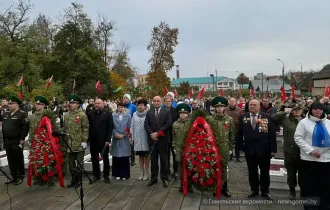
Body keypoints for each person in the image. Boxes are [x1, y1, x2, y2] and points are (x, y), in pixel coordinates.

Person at [237, 99, 276, 199]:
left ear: (259, 106)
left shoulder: (267, 117)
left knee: (264, 171)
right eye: (251, 105)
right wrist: (240, 147)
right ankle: (254, 189)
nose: (252, 107)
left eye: (255, 105)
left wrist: (273, 149)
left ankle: (265, 191)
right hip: (249, 150)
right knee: (252, 171)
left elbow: (272, 134)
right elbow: (239, 134)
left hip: (264, 149)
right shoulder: (243, 117)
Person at [294, 102, 330, 210]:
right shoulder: (304, 123)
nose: (318, 111)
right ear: (311, 110)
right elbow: (298, 138)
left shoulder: (328, 122)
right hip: (309, 160)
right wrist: (311, 151)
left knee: (325, 186)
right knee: (309, 187)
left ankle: (324, 206)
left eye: (320, 109)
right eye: (315, 109)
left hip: (326, 160)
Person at [272, 103, 302, 199]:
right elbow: (274, 118)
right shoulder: (286, 119)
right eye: (294, 109)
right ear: (291, 110)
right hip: (290, 150)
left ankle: (303, 191)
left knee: (304, 173)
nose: (297, 111)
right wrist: (285, 112)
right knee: (291, 172)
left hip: (303, 151)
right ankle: (292, 191)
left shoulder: (305, 120)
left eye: (299, 109)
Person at [209, 96, 234, 197]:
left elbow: (232, 134)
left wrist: (231, 148)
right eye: (217, 106)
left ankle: (225, 188)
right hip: (213, 148)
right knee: (214, 167)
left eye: (221, 106)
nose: (219, 108)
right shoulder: (210, 119)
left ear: (224, 107)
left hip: (224, 148)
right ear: (214, 108)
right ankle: (215, 187)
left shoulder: (229, 119)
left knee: (224, 168)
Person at [1, 95, 29, 185]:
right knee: (10, 159)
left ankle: (20, 176)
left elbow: (25, 127)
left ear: (16, 104)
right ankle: (13, 176)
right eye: (9, 103)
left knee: (18, 158)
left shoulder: (22, 114)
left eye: (11, 104)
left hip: (17, 140)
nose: (9, 105)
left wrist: (22, 138)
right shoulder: (6, 113)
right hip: (7, 140)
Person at [144, 96, 172, 188]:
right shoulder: (149, 112)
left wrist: (158, 134)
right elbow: (146, 125)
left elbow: (168, 124)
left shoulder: (166, 112)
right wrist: (152, 134)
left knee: (164, 160)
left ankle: (164, 178)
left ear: (161, 102)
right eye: (154, 101)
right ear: (152, 102)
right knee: (154, 160)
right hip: (152, 140)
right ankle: (154, 178)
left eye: (158, 101)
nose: (156, 102)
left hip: (163, 140)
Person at [64, 94, 88, 188]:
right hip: (69, 143)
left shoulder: (82, 115)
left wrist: (85, 140)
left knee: (79, 164)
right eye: (71, 103)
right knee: (71, 164)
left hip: (79, 143)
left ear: (78, 104)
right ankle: (73, 179)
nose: (71, 104)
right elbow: (65, 127)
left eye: (74, 103)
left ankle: (79, 180)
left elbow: (85, 128)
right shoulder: (66, 115)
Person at [88, 98, 113, 183]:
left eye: (99, 103)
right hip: (93, 140)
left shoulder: (108, 114)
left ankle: (106, 176)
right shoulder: (91, 114)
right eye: (96, 103)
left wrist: (108, 139)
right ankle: (96, 175)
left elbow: (110, 128)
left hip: (103, 141)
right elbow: (90, 127)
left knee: (105, 158)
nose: (97, 105)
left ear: (103, 104)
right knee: (94, 159)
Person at [172, 103, 192, 192]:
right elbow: (174, 136)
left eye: (185, 113)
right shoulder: (175, 124)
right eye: (181, 113)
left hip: (190, 149)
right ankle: (182, 184)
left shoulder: (191, 124)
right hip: (179, 149)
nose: (183, 115)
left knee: (190, 166)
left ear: (188, 114)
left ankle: (190, 185)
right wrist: (174, 147)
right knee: (181, 167)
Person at [111, 102, 131, 180]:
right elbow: (111, 127)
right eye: (119, 107)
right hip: (116, 138)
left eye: (122, 107)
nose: (120, 108)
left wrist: (124, 134)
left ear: (124, 108)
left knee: (124, 157)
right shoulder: (113, 116)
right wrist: (115, 134)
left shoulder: (128, 116)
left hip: (124, 138)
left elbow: (129, 127)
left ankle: (124, 174)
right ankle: (117, 174)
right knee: (116, 157)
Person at [131, 99, 149, 181]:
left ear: (145, 106)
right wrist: (132, 137)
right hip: (137, 138)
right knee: (140, 156)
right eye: (139, 105)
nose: (140, 106)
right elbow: (132, 126)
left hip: (146, 137)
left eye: (142, 105)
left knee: (146, 156)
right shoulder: (134, 114)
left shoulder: (148, 114)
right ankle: (141, 172)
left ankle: (146, 172)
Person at [164, 97, 178, 178]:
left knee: (175, 154)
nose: (167, 102)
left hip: (173, 136)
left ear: (171, 102)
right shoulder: (162, 111)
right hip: (165, 136)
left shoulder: (175, 111)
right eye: (166, 101)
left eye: (169, 101)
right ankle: (167, 170)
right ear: (164, 102)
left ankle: (176, 170)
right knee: (166, 155)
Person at [225, 97, 243, 161]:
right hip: (227, 130)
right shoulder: (225, 109)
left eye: (233, 101)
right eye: (231, 101)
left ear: (236, 102)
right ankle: (230, 156)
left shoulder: (240, 110)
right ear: (228, 102)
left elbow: (241, 120)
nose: (232, 102)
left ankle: (238, 157)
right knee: (229, 143)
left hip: (237, 130)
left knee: (237, 144)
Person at [123, 94, 137, 166]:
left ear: (129, 99)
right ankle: (126, 158)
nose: (125, 99)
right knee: (125, 144)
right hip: (123, 127)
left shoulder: (133, 106)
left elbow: (135, 116)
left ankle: (133, 159)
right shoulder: (122, 106)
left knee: (131, 144)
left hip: (131, 127)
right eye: (124, 98)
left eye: (126, 98)